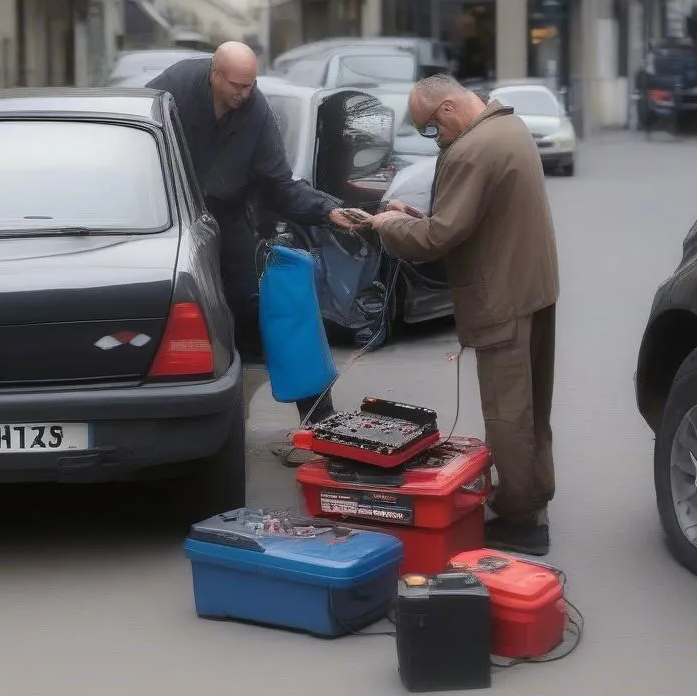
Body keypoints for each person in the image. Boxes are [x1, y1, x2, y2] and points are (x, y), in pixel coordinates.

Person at [356, 74, 559, 557]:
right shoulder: (508, 127)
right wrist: (410, 216)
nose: (435, 139)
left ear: (447, 109)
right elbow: (469, 215)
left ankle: (520, 517)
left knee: (507, 413)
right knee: (533, 406)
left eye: (431, 129)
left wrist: (385, 227)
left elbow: (438, 238)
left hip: (501, 297)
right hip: (533, 285)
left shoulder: (471, 149)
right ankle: (534, 493)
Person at [147, 42, 354, 423]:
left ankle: (321, 421)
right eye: (236, 85)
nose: (244, 94)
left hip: (226, 218)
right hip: (167, 215)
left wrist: (329, 210)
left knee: (268, 305)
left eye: (250, 85)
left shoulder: (256, 111)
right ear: (214, 74)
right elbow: (138, 147)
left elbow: (280, 184)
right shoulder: (172, 88)